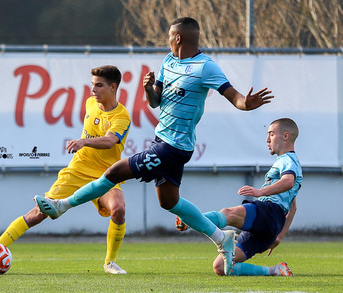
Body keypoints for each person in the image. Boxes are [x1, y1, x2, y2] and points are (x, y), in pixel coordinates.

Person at [34, 17, 274, 275]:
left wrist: (246, 104)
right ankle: (221, 237)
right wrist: (149, 89)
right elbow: (155, 102)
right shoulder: (168, 61)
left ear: (178, 37)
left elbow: (234, 96)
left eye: (170, 35)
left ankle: (62, 206)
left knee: (114, 172)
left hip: (175, 147)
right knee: (169, 202)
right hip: (162, 140)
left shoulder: (205, 67)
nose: (168, 39)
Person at [0, 65, 131, 274]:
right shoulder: (91, 103)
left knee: (118, 209)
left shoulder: (122, 116)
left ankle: (109, 263)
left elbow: (110, 141)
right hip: (78, 170)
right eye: (92, 85)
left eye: (99, 85)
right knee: (39, 212)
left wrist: (83, 141)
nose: (93, 90)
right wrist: (84, 145)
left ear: (113, 87)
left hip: (106, 173)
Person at [176, 118, 301, 276]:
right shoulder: (289, 163)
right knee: (221, 267)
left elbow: (288, 182)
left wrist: (260, 192)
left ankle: (190, 221)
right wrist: (279, 236)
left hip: (269, 212)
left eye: (271, 134)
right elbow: (293, 206)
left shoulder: (288, 160)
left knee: (228, 213)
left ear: (285, 136)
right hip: (271, 226)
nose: (267, 139)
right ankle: (276, 270)